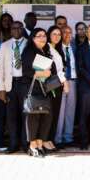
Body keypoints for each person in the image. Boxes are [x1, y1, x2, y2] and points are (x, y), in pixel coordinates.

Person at [21, 27, 58, 157]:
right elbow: (26, 71)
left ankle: (40, 143)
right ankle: (32, 146)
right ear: (33, 38)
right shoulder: (28, 52)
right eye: (39, 36)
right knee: (33, 117)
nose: (43, 38)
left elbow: (52, 69)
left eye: (44, 35)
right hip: (32, 88)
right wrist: (41, 73)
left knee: (46, 117)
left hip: (46, 89)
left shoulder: (47, 51)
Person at [0, 21, 28, 153]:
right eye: (13, 28)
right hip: (10, 85)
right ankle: (14, 144)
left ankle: (26, 144)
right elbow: (0, 69)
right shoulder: (4, 45)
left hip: (25, 84)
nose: (16, 30)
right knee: (11, 116)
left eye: (19, 28)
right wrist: (0, 89)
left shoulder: (29, 43)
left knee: (26, 115)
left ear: (22, 29)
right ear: (10, 30)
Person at [55, 25, 77, 148]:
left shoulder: (74, 47)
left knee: (70, 111)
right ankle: (58, 139)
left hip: (73, 82)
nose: (67, 35)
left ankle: (68, 137)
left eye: (70, 32)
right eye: (64, 32)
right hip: (61, 83)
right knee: (60, 111)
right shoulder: (56, 49)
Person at [45, 25, 66, 151]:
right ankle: (45, 140)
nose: (57, 36)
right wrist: (65, 81)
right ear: (49, 35)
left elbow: (60, 69)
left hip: (57, 85)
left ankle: (50, 139)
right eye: (54, 34)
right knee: (49, 114)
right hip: (49, 86)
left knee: (55, 114)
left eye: (59, 34)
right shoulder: (46, 47)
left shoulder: (57, 49)